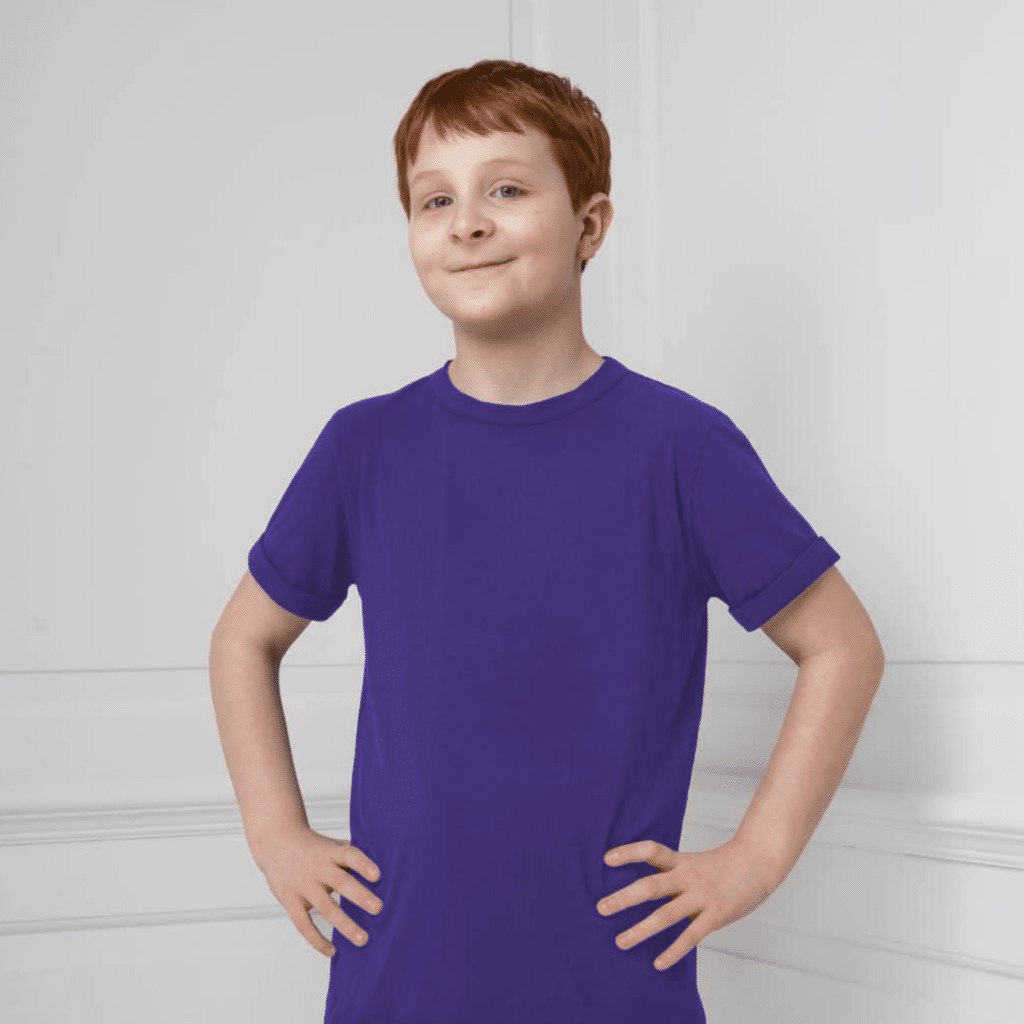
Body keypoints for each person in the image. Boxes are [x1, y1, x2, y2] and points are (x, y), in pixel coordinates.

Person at [208, 59, 885, 1023]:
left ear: (590, 227)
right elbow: (243, 637)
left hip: (611, 981)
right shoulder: (364, 447)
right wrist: (276, 835)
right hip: (399, 976)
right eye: (434, 198)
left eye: (508, 189)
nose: (468, 221)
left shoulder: (680, 448)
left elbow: (843, 643)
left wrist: (755, 859)